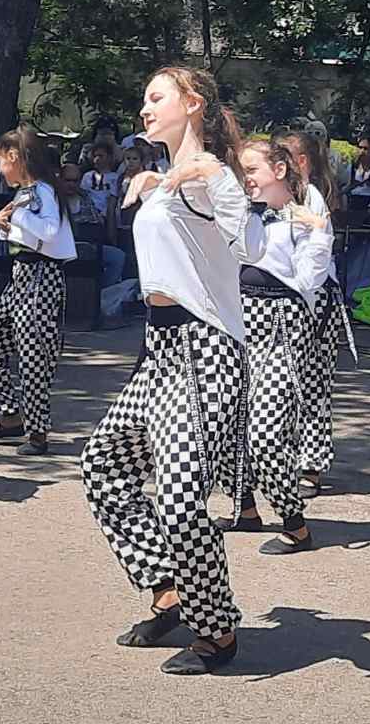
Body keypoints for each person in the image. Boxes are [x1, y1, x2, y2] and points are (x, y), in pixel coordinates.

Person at [81, 65, 265, 676]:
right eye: (142, 99)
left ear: (191, 104)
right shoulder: (162, 180)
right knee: (103, 464)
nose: (143, 109)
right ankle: (169, 587)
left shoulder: (211, 175)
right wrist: (169, 182)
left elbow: (254, 248)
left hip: (207, 350)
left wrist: (213, 176)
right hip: (159, 350)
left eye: (155, 97)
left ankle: (217, 632)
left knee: (184, 499)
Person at [223, 139, 332, 553]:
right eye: (243, 170)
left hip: (282, 325)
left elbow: (309, 280)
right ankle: (245, 507)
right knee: (226, 421)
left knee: (266, 431)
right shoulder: (245, 214)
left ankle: (294, 522)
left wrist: (319, 234)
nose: (245, 178)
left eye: (252, 169)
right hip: (239, 318)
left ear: (280, 171)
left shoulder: (305, 212)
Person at [0, 128, 77, 455]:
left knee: (34, 353)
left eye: (3, 162)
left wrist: (14, 215)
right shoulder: (29, 192)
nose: (1, 170)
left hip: (40, 276)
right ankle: (11, 414)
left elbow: (48, 230)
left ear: (16, 159)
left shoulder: (41, 191)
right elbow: (28, 234)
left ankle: (37, 430)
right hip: (23, 275)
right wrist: (8, 224)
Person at [274, 128, 352, 496]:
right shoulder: (280, 200)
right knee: (285, 381)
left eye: (283, 157)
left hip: (317, 299)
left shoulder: (311, 198)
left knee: (314, 383)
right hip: (287, 300)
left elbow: (312, 258)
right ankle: (285, 456)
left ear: (300, 162)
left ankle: (312, 463)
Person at [61, 162, 127, 288]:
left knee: (118, 257)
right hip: (64, 248)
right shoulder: (54, 199)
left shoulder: (85, 197)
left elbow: (97, 223)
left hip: (90, 245)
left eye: (75, 181)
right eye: (67, 180)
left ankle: (100, 293)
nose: (71, 184)